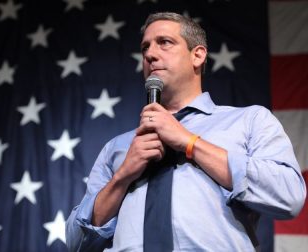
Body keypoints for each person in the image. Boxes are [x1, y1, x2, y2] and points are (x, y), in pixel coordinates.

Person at [66, 12, 306, 252]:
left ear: (198, 55)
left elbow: (288, 197)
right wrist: (123, 177)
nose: (150, 54)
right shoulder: (118, 147)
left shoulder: (249, 120)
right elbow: (76, 243)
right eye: (145, 47)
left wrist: (189, 142)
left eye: (165, 43)